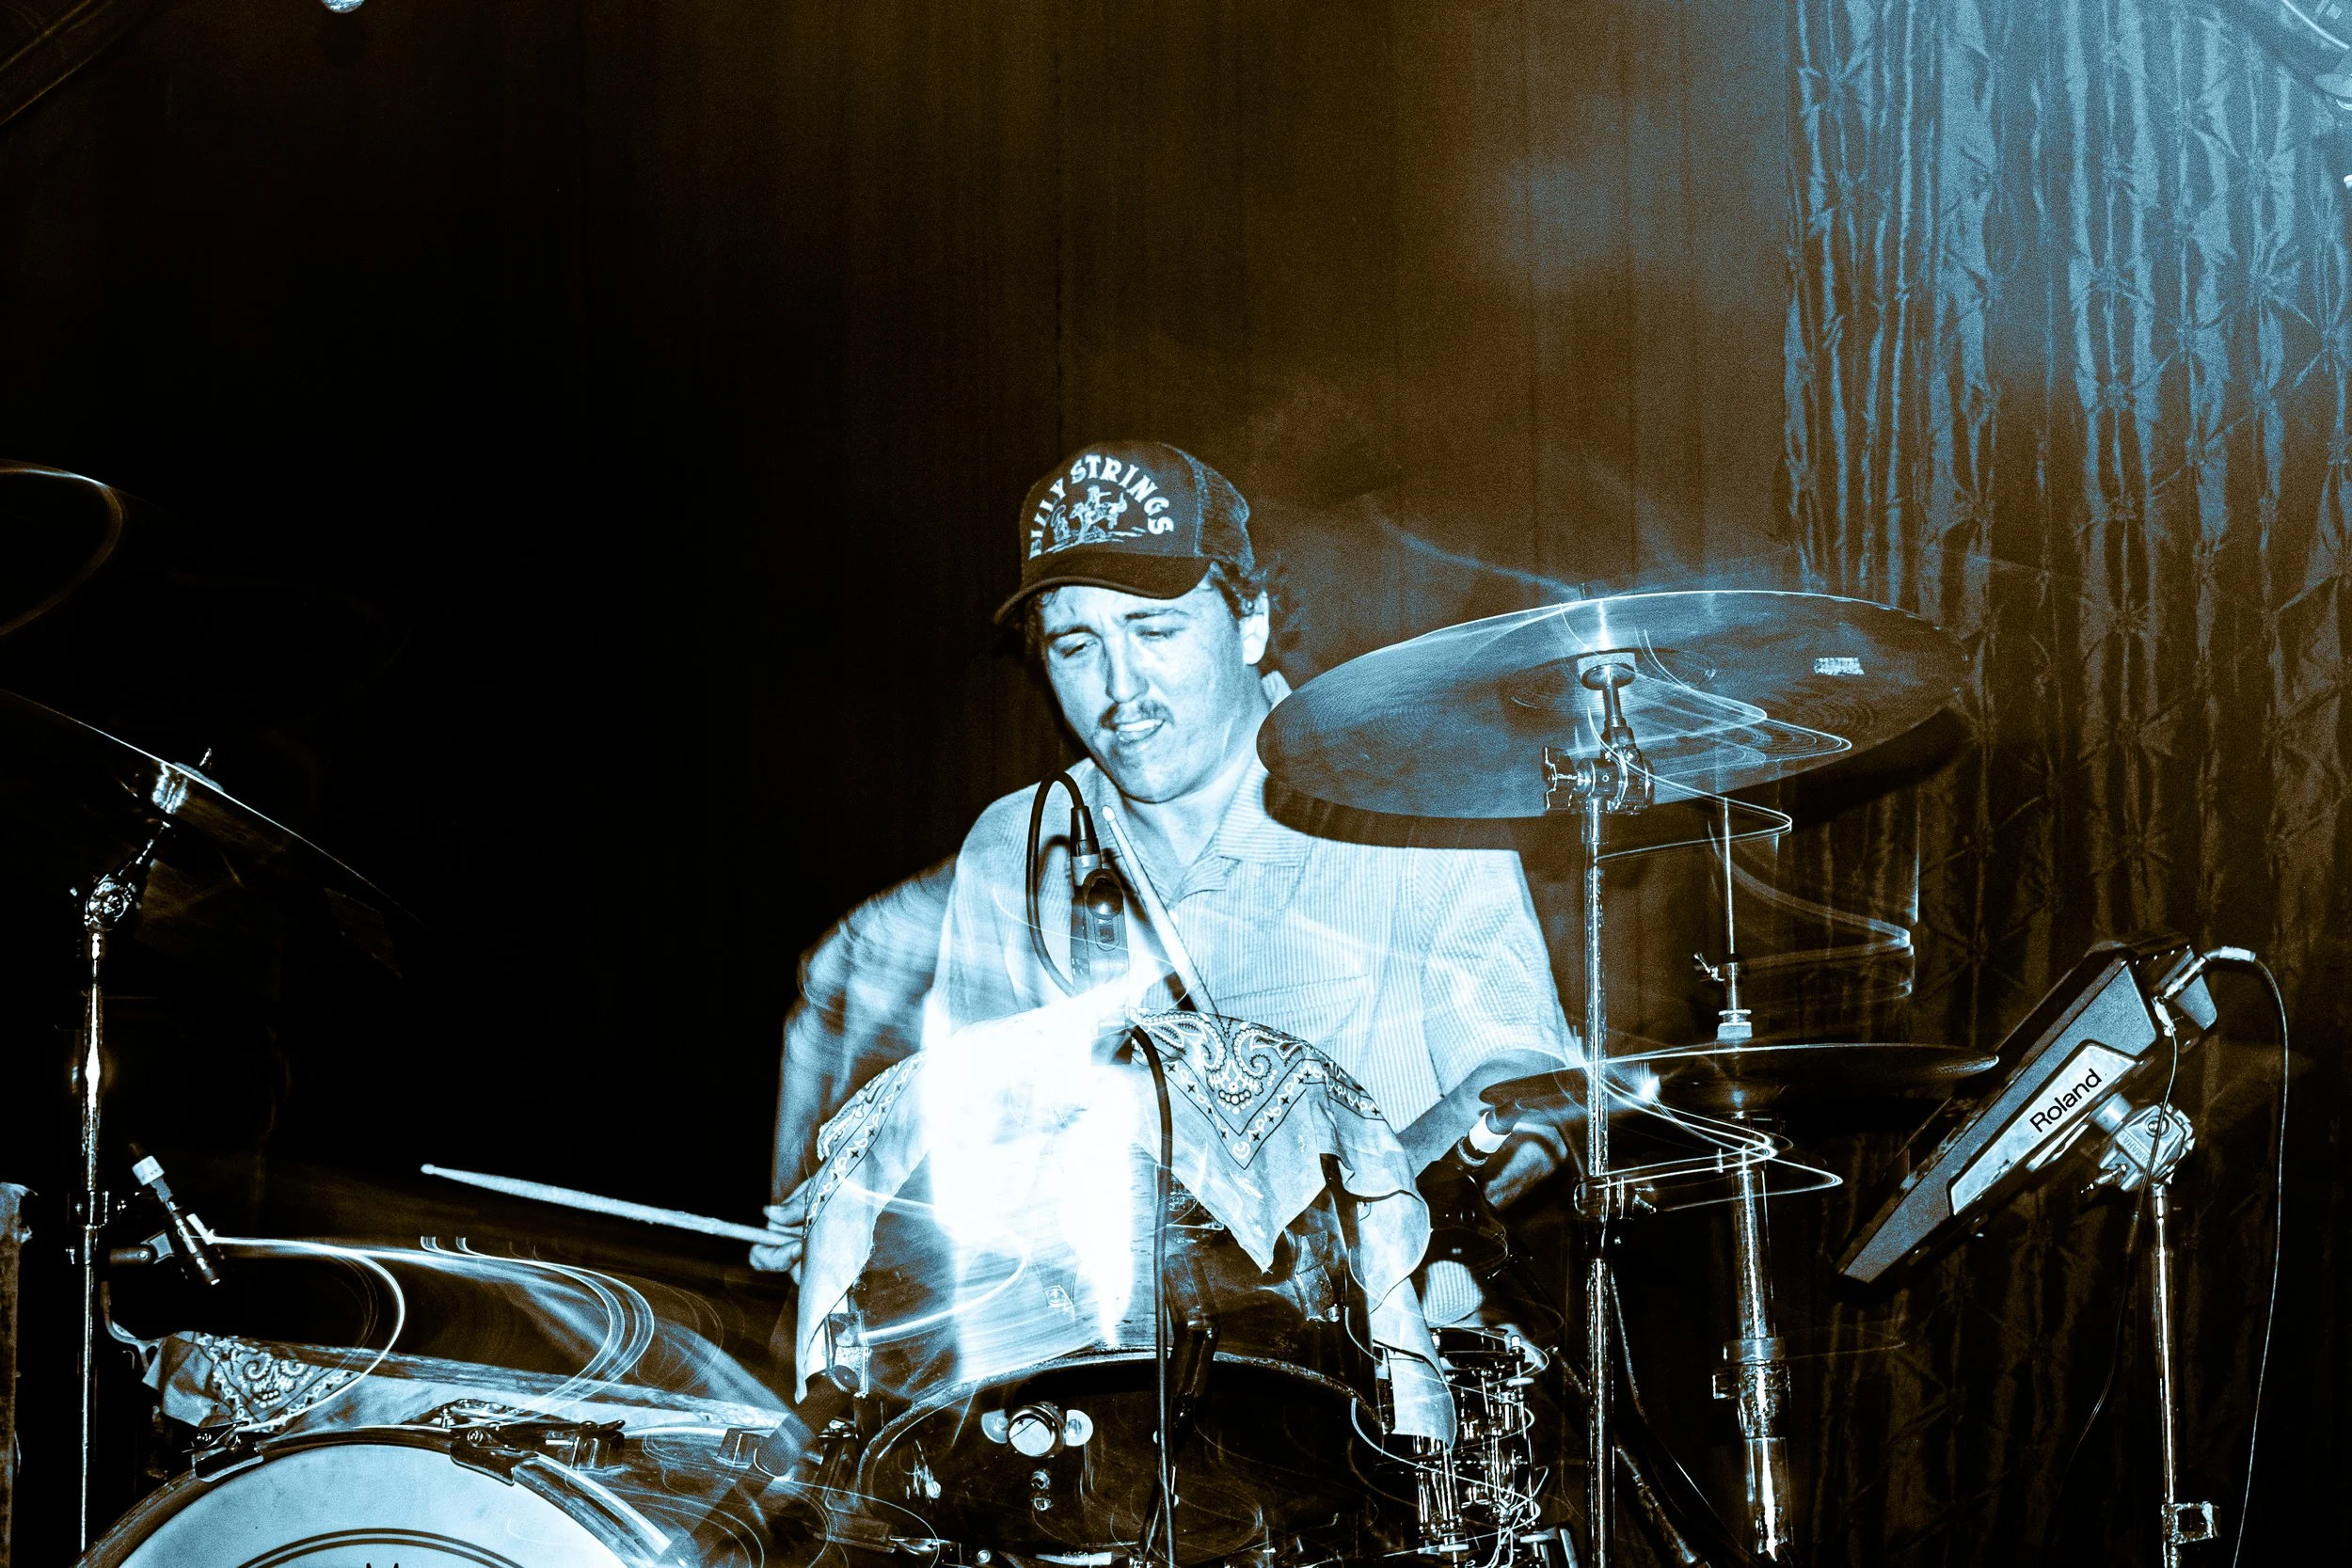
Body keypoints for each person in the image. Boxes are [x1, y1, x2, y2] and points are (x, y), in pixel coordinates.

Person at [754, 440, 1577, 1275]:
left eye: (1153, 628)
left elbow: (1520, 1080)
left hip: (1388, 1375)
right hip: (1111, 1382)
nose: (1121, 686)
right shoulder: (1016, 845)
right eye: (1076, 646)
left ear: (1250, 621)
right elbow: (986, 1148)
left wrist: (1352, 1234)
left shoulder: (1402, 792)